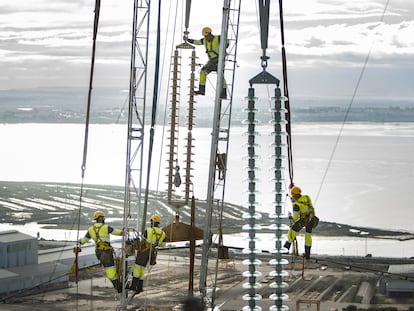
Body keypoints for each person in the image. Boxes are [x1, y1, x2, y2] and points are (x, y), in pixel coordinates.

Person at [78, 211, 123, 292]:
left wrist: (80, 241)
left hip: (99, 252)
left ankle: (118, 286)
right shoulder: (106, 227)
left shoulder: (91, 229)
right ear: (102, 218)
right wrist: (124, 232)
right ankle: (119, 287)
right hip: (106, 252)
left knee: (109, 269)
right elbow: (116, 232)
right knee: (110, 270)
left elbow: (84, 240)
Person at [127, 214, 166, 294]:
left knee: (137, 268)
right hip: (152, 253)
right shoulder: (163, 233)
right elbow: (163, 244)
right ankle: (140, 287)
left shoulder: (148, 231)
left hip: (144, 252)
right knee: (142, 269)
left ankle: (134, 286)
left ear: (152, 222)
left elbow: (143, 240)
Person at [186, 26, 228, 99]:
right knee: (203, 72)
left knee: (220, 76)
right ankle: (202, 90)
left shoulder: (218, 38)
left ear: (210, 34)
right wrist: (188, 40)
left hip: (220, 60)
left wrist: (225, 47)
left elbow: (227, 42)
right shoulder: (204, 40)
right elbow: (197, 42)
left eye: (207, 36)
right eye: (205, 36)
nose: (206, 37)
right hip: (212, 61)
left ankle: (224, 93)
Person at [284, 186, 319, 259]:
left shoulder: (296, 205)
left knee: (292, 231)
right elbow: (303, 202)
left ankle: (285, 248)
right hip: (312, 219)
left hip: (304, 220)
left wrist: (291, 214)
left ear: (295, 195)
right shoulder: (307, 197)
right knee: (308, 235)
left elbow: (295, 218)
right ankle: (307, 254)